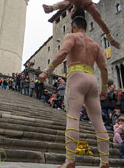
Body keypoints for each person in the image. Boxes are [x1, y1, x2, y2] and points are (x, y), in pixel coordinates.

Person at [39, 9, 110, 168]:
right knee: (99, 122)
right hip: (92, 79)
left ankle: (70, 160)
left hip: (76, 77)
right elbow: (104, 69)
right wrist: (104, 88)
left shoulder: (71, 36)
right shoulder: (95, 44)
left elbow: (63, 52)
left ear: (73, 27)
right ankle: (104, 162)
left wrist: (47, 71)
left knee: (72, 117)